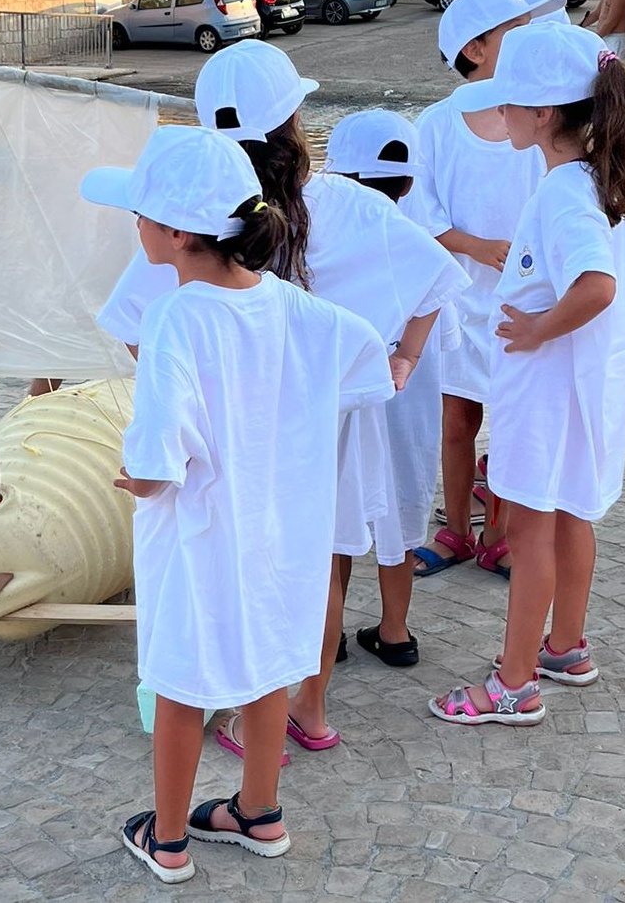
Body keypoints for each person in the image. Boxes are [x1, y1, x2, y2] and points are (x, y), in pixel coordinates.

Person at [96, 41, 463, 748]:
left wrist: (193, 400)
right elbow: (436, 276)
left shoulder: (192, 218)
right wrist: (403, 361)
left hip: (231, 431)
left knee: (242, 560)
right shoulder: (350, 206)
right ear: (295, 119)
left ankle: (244, 702)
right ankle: (309, 709)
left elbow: (135, 326)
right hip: (326, 420)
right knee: (321, 563)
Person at [81, 125, 392, 882]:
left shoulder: (175, 316)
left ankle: (169, 841)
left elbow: (159, 448)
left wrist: (138, 479)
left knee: (181, 677)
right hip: (281, 527)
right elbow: (368, 355)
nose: (134, 224)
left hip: (201, 530)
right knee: (268, 661)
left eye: (141, 213)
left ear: (177, 233)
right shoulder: (291, 305)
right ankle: (259, 812)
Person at [429, 24, 625, 725]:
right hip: (587, 389)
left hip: (546, 393)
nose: (498, 113)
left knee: (530, 532)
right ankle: (565, 646)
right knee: (573, 517)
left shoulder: (562, 192)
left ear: (543, 114)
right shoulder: (605, 178)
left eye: (508, 103)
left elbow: (597, 285)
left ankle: (513, 682)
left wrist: (537, 328)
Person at [407, 0, 551, 582]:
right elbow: (420, 213)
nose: (527, 41)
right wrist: (477, 247)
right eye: (513, 32)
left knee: (514, 418)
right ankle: (457, 530)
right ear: (474, 49)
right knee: (458, 416)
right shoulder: (436, 125)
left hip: (526, 297)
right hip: (458, 295)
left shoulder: (541, 114)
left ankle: (500, 532)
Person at [322, 110, 470, 668]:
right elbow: (447, 329)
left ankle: (328, 636)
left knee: (335, 516)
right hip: (406, 409)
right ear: (409, 185)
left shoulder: (313, 242)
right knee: (402, 516)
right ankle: (395, 630)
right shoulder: (414, 246)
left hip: (339, 406)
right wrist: (406, 352)